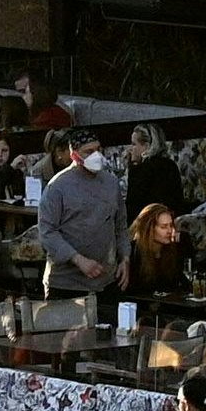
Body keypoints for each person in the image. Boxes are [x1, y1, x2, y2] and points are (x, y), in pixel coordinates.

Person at [41, 128, 125, 304]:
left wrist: (125, 258)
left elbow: (120, 225)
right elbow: (48, 233)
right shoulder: (57, 187)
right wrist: (78, 260)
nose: (96, 155)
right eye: (89, 151)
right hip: (66, 285)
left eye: (98, 150)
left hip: (105, 281)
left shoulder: (111, 183)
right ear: (74, 154)